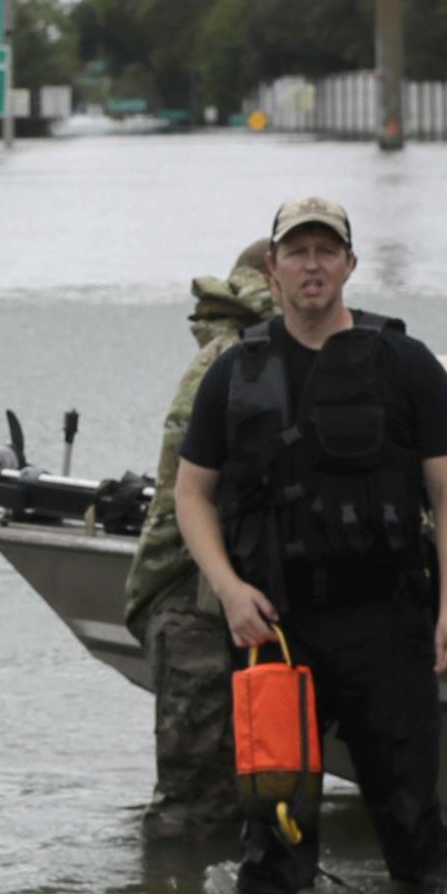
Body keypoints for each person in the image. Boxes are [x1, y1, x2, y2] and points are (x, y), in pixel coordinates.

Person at [172, 196, 447, 894]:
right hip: (275, 629)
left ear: (349, 264)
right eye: (298, 252)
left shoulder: (405, 364)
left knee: (414, 825)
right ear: (273, 269)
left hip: (387, 623)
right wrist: (227, 587)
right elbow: (192, 494)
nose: (313, 265)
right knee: (274, 831)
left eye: (326, 250)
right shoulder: (234, 372)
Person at [121, 240, 272, 841]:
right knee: (197, 804)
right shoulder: (229, 361)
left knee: (252, 784)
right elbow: (186, 495)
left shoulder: (249, 354)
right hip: (193, 600)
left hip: (228, 594)